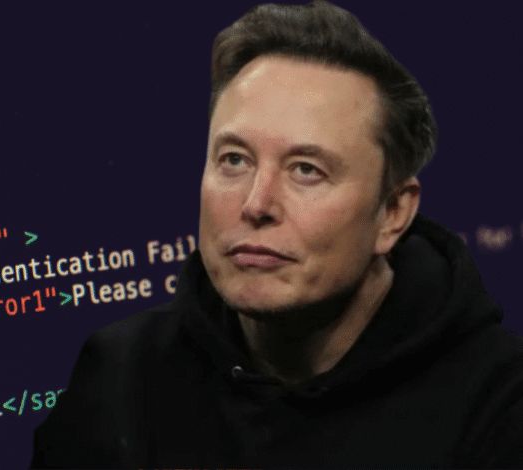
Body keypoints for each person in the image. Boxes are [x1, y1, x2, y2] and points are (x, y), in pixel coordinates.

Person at [30, 1, 523, 468]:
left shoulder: (501, 405)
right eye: (234, 160)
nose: (256, 204)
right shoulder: (118, 378)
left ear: (393, 213)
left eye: (306, 169)